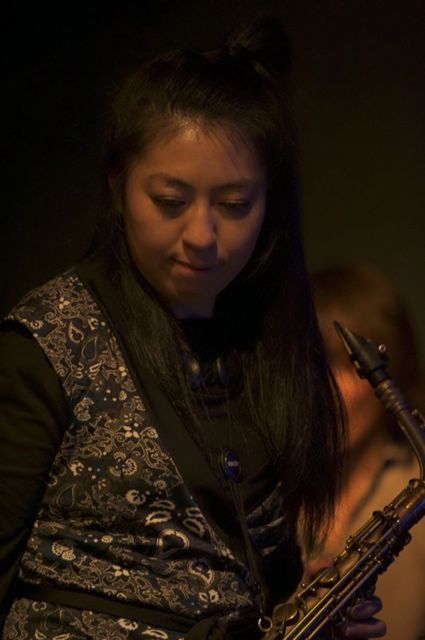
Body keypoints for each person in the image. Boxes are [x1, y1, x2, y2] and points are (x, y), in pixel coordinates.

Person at [0, 17, 385, 640]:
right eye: (170, 202)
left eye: (234, 205)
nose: (202, 236)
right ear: (118, 186)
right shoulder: (48, 340)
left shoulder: (266, 348)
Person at [307, 262, 425, 640]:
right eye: (311, 364)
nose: (323, 391)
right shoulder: (265, 493)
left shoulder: (411, 483)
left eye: (346, 366)